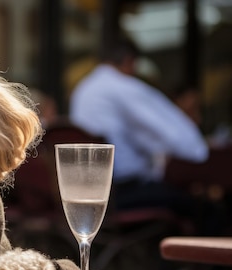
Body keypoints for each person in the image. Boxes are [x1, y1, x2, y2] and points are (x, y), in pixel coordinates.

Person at [69, 37, 209, 213]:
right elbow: (178, 138)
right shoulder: (123, 86)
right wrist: (198, 148)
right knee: (201, 206)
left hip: (86, 191)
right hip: (120, 192)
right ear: (129, 61)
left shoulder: (82, 89)